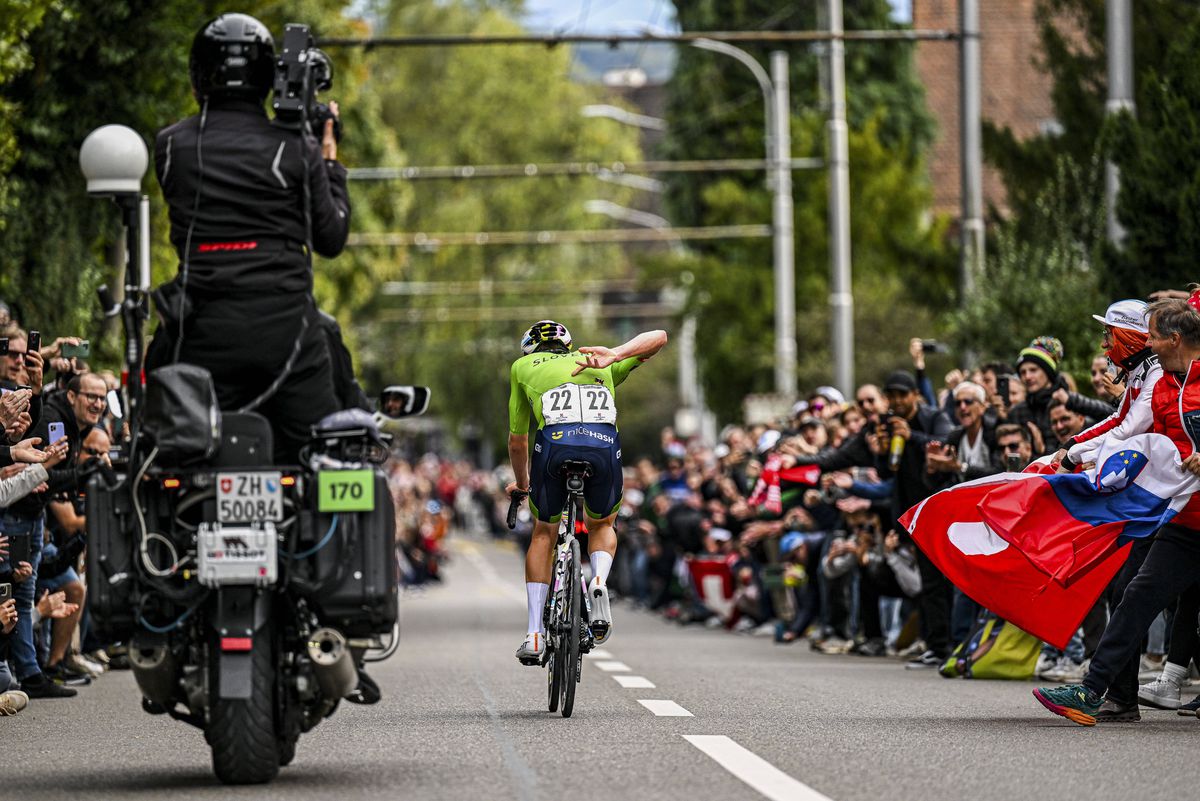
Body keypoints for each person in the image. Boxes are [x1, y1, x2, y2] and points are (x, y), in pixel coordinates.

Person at [147, 13, 350, 463]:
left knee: (169, 452)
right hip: (290, 339)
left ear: (198, 77)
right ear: (266, 76)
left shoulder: (170, 147)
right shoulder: (297, 147)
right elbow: (331, 237)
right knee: (331, 457)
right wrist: (328, 158)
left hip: (200, 332)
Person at [1032, 297, 1200, 726]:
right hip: (1183, 519)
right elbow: (1135, 437)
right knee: (1134, 593)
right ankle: (1094, 691)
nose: (1149, 343)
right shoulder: (1161, 384)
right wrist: (1080, 458)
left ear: (1174, 339)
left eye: (1154, 336)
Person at [506, 321, 667, 664]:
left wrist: (522, 484)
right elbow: (659, 337)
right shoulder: (597, 358)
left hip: (555, 446)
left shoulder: (522, 368)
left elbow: (518, 440)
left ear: (530, 349)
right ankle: (599, 581)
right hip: (603, 445)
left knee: (543, 533)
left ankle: (534, 633)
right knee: (602, 525)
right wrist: (618, 354)